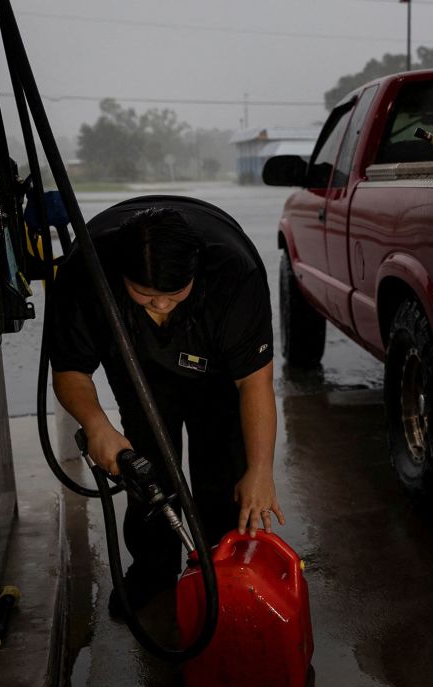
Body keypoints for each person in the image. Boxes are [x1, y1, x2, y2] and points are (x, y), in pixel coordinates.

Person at [48, 196, 282, 615]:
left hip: (216, 370)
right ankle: (153, 572)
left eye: (173, 294)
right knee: (147, 468)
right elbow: (70, 371)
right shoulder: (86, 275)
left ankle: (219, 568)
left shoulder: (233, 274)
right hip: (135, 363)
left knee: (223, 467)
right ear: (122, 277)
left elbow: (254, 380)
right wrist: (97, 425)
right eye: (145, 294)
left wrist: (261, 469)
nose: (160, 304)